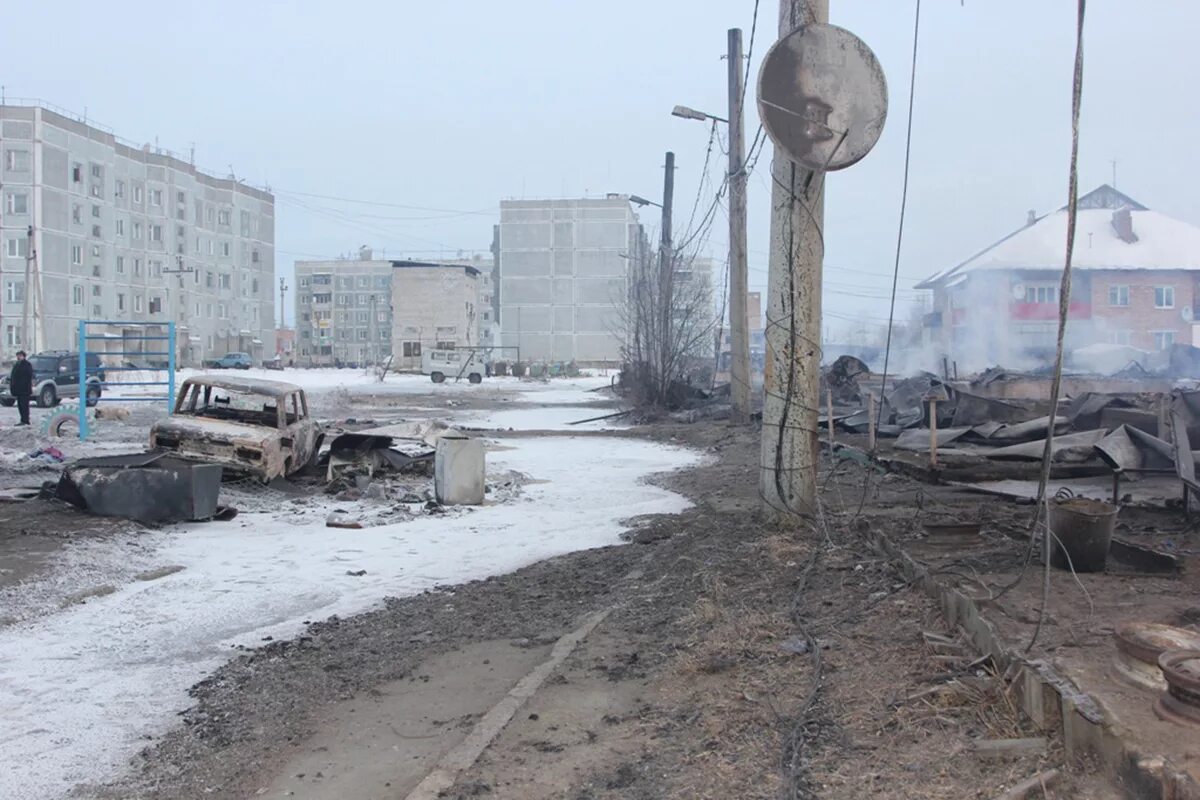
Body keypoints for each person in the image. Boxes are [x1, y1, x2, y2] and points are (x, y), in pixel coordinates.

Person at [9, 350, 33, 426]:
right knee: (20, 405)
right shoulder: (17, 364)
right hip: (18, 390)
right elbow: (14, 376)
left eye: (20, 355)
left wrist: (23, 384)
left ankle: (25, 420)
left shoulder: (27, 364)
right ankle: (22, 419)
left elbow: (28, 376)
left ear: (23, 356)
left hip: (24, 389)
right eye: (18, 356)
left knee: (24, 405)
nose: (18, 357)